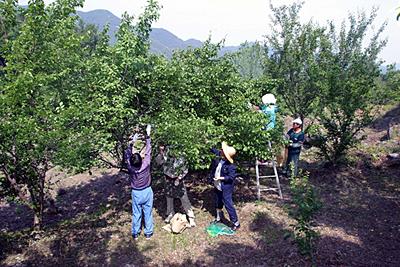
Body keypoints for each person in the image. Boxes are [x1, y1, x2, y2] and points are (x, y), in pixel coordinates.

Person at [124, 125, 154, 240]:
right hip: (147, 191)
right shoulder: (145, 165)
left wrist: (131, 142)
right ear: (141, 160)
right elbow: (148, 150)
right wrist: (148, 136)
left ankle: (136, 233)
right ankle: (148, 233)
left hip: (136, 193)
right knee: (148, 212)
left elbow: (127, 155)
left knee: (136, 213)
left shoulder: (131, 168)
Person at [155, 144, 196, 227]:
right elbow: (158, 162)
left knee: (184, 198)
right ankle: (170, 214)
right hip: (168, 179)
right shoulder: (165, 154)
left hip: (178, 180)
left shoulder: (182, 156)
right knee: (169, 197)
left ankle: (191, 217)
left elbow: (185, 169)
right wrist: (161, 152)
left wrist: (179, 178)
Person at [208, 142, 240, 231]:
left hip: (226, 187)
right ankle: (219, 218)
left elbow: (231, 177)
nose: (221, 150)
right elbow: (213, 150)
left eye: (222, 150)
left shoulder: (231, 166)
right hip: (217, 185)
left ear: (226, 155)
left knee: (228, 204)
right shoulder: (220, 155)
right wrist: (207, 142)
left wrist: (220, 178)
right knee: (218, 202)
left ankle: (236, 223)